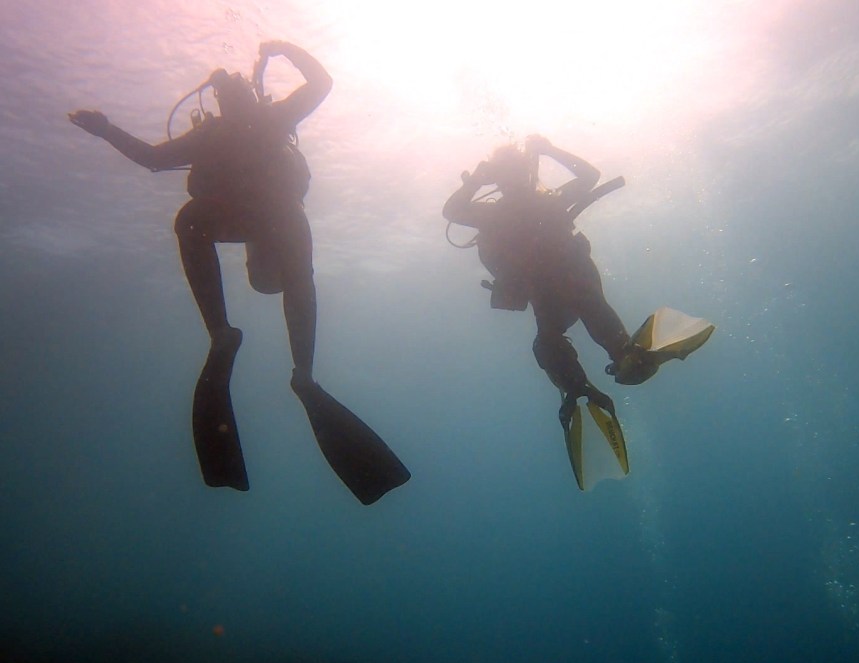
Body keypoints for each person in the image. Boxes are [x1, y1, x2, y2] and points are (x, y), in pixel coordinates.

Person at [69, 41, 409, 503]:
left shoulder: (273, 119)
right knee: (192, 220)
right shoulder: (216, 134)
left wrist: (288, 49)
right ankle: (223, 333)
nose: (233, 97)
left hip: (276, 225)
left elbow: (322, 83)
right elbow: (152, 157)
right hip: (254, 222)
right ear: (219, 103)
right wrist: (106, 129)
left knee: (286, 240)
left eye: (237, 91)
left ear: (252, 95)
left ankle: (302, 371)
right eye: (225, 93)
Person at [443, 136, 659, 487]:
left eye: (517, 171)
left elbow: (590, 175)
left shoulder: (539, 204)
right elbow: (451, 212)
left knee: (578, 313)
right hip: (553, 300)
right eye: (505, 174)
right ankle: (581, 384)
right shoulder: (504, 212)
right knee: (549, 337)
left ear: (528, 172)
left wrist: (545, 151)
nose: (513, 179)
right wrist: (480, 178)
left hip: (574, 290)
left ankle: (620, 354)